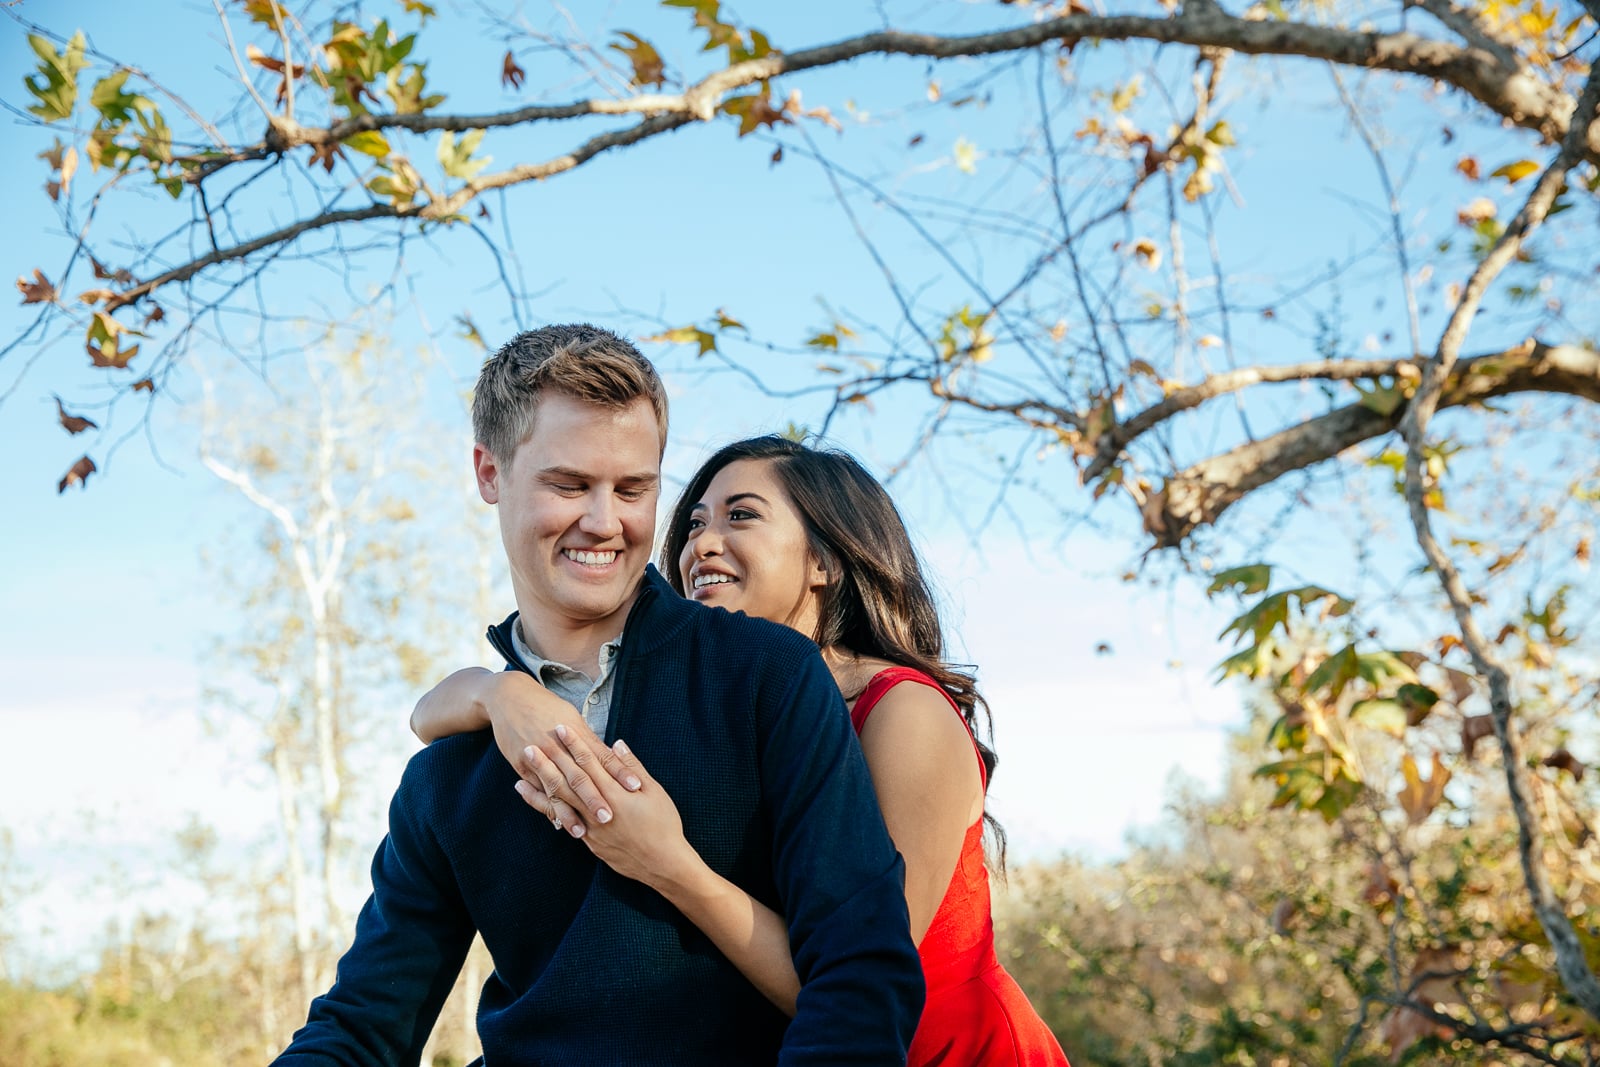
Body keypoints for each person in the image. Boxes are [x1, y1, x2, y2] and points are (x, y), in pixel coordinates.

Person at [273, 326, 924, 1066]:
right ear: (489, 472)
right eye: (570, 484)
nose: (605, 522)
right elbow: (359, 1027)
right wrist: (495, 694)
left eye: (633, 489)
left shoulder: (765, 677)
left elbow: (861, 977)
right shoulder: (449, 772)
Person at [414, 435, 1071, 1066]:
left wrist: (669, 863)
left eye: (740, 516)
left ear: (824, 560)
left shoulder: (902, 712)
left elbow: (857, 984)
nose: (702, 541)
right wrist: (500, 692)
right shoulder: (728, 715)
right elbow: (424, 716)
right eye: (695, 521)